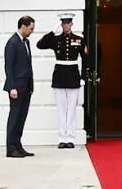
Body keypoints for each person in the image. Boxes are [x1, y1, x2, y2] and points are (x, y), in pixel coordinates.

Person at [36, 13, 87, 149]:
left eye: (68, 23)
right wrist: (53, 31)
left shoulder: (79, 39)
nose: (66, 25)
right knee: (61, 109)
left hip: (73, 76)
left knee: (71, 110)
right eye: (63, 23)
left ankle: (70, 138)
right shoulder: (56, 39)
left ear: (71, 24)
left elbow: (86, 59)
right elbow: (40, 45)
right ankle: (62, 138)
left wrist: (83, 77)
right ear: (61, 25)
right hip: (59, 76)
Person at [3, 15, 36, 157]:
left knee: (22, 117)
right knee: (14, 117)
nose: (32, 31)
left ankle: (18, 145)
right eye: (31, 28)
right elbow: (9, 67)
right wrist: (12, 87)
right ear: (23, 26)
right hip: (16, 87)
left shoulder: (25, 42)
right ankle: (10, 147)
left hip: (26, 86)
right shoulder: (12, 42)